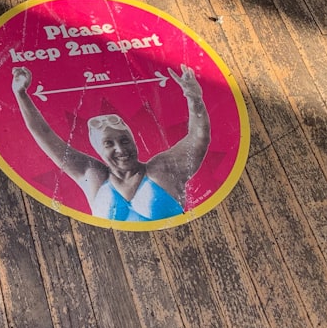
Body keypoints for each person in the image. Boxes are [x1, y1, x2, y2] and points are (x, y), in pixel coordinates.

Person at [11, 64, 210, 222]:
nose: (121, 149)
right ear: (98, 149)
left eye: (125, 140)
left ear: (133, 140)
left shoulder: (163, 169)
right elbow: (45, 135)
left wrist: (194, 98)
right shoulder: (93, 176)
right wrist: (21, 95)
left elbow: (198, 137)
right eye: (109, 143)